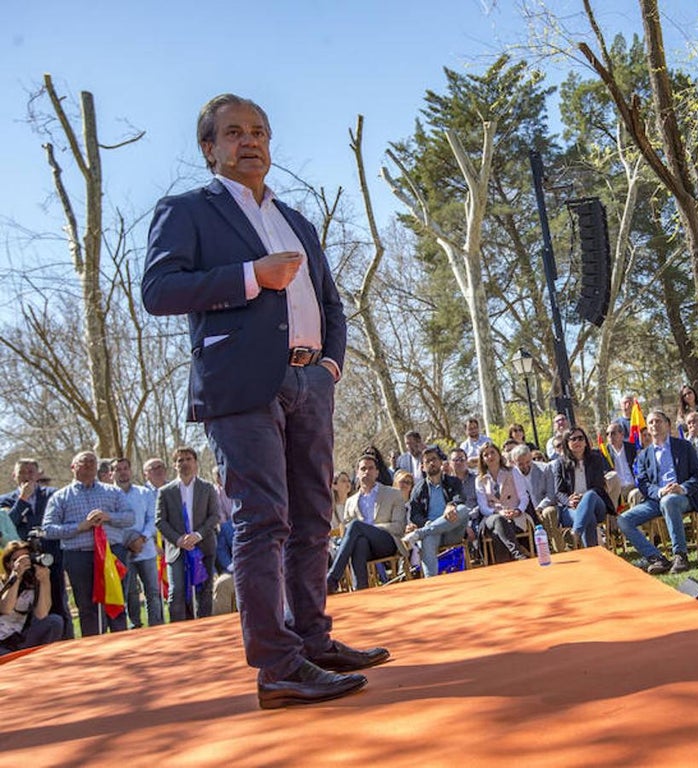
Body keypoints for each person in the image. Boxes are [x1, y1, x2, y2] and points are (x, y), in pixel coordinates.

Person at [142, 94, 384, 708]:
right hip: (240, 385)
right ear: (209, 148)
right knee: (263, 520)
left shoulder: (295, 219)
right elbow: (158, 290)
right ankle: (277, 667)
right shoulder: (186, 211)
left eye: (259, 131)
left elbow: (330, 302)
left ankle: (313, 641)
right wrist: (252, 275)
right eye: (234, 133)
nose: (249, 141)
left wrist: (329, 367)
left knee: (313, 517)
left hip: (311, 384)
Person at [41, 450, 134, 636]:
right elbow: (48, 529)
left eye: (93, 461)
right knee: (87, 607)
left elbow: (130, 517)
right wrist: (79, 527)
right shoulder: (61, 497)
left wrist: (108, 517)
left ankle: (122, 644)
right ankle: (94, 645)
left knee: (116, 602)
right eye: (84, 462)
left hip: (112, 554)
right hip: (79, 557)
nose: (90, 465)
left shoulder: (113, 491)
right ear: (73, 467)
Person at [617, 410, 698, 575]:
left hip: (682, 497)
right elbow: (642, 483)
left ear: (668, 425)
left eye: (658, 421)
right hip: (656, 499)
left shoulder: (683, 446)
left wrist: (682, 487)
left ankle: (681, 556)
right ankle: (656, 558)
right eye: (650, 422)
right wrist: (660, 491)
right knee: (623, 520)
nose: (654, 425)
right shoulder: (644, 455)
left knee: (669, 501)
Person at [0, 459, 71, 639]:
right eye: (22, 472)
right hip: (18, 561)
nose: (27, 476)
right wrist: (22, 500)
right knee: (21, 605)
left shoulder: (53, 495)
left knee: (58, 604)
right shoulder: (5, 501)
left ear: (39, 474)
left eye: (31, 472)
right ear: (14, 476)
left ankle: (66, 640)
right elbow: (8, 526)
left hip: (50, 557)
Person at [156, 447, 220, 621]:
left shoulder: (207, 488)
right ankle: (179, 630)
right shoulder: (165, 492)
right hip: (177, 549)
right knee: (176, 592)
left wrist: (198, 535)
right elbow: (160, 521)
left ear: (195, 462)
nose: (184, 463)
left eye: (188, 459)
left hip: (203, 546)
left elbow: (215, 516)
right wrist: (178, 540)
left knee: (204, 591)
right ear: (174, 465)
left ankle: (205, 628)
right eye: (180, 460)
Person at [327, 452, 405, 591]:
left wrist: (370, 528)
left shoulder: (393, 494)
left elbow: (399, 527)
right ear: (357, 473)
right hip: (366, 547)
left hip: (387, 542)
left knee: (356, 526)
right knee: (360, 542)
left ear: (377, 472)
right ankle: (361, 591)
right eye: (363, 469)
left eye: (370, 468)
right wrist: (363, 531)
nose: (366, 472)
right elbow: (346, 533)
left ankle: (332, 578)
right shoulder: (351, 502)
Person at [112, 458, 164, 629]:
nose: (123, 472)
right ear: (112, 473)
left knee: (153, 591)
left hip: (145, 548)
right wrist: (127, 542)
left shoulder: (144, 493)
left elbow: (153, 518)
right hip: (121, 550)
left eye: (125, 468)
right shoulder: (109, 495)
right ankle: (135, 625)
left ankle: (157, 625)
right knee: (130, 592)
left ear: (131, 471)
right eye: (118, 469)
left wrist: (142, 538)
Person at [402, 449, 467, 577]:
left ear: (440, 462)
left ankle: (420, 533)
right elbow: (415, 515)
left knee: (463, 509)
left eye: (434, 459)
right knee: (427, 539)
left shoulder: (453, 481)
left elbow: (460, 498)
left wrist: (451, 505)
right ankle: (431, 581)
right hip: (432, 533)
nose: (432, 463)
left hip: (451, 528)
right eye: (428, 461)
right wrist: (426, 523)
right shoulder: (418, 489)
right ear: (422, 467)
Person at [0, 540, 64, 656]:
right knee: (8, 658)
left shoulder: (32, 584)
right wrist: (16, 577)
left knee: (55, 621)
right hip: (1, 641)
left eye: (26, 558)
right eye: (17, 560)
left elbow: (42, 614)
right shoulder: (2, 583)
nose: (23, 563)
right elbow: (6, 609)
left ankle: (41, 657)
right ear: (8, 564)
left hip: (19, 638)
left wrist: (44, 581)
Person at [553, 427, 613, 547]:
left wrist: (583, 498)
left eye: (580, 438)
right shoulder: (560, 463)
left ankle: (576, 532)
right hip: (572, 508)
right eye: (573, 439)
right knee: (588, 517)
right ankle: (593, 554)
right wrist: (569, 501)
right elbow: (559, 492)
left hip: (596, 504)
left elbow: (599, 487)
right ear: (567, 443)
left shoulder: (596, 459)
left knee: (590, 495)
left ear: (585, 442)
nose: (577, 441)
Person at [474, 442, 532, 562]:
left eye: (492, 452)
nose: (490, 456)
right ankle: (519, 555)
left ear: (499, 454)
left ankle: (505, 565)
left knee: (497, 534)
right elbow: (483, 507)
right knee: (498, 520)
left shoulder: (513, 471)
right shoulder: (480, 480)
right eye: (486, 455)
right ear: (482, 460)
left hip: (515, 516)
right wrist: (498, 512)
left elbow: (524, 497)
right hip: (491, 517)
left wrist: (517, 511)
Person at [602, 421, 638, 510]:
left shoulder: (632, 448)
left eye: (613, 433)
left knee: (636, 495)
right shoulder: (604, 453)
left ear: (622, 435)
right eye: (607, 434)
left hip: (633, 486)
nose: (610, 436)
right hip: (616, 490)